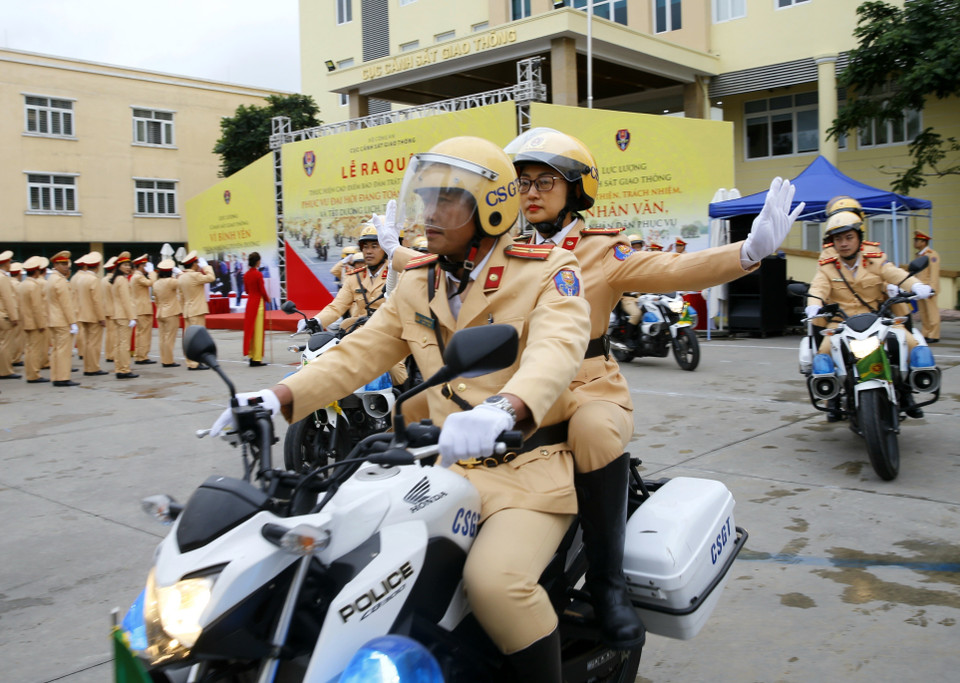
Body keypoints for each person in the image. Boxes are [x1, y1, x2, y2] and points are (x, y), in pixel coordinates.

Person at [390, 127, 801, 648]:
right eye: (520, 182)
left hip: (585, 385)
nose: (531, 193)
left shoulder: (599, 252)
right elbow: (434, 274)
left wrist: (747, 253)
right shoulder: (497, 246)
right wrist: (393, 251)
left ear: (575, 192)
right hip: (502, 388)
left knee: (592, 429)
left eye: (545, 182)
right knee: (412, 412)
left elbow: (673, 268)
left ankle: (608, 584)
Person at [210, 136, 591, 683]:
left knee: (495, 584)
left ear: (493, 206)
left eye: (447, 202)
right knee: (349, 566)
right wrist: (276, 398)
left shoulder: (548, 269)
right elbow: (358, 352)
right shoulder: (419, 279)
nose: (429, 215)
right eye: (427, 199)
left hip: (525, 471)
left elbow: (557, 351)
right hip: (442, 470)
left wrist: (506, 409)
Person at [805, 209, 933, 420]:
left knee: (910, 343)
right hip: (841, 323)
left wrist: (917, 285)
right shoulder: (827, 267)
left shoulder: (875, 260)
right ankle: (834, 397)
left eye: (849, 237)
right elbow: (818, 288)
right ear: (833, 243)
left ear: (859, 238)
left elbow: (896, 274)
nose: (844, 243)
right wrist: (813, 305)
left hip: (878, 319)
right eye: (838, 239)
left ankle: (906, 393)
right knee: (824, 352)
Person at [178, 251, 216, 370]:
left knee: (188, 338)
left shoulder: (181, 277)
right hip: (197, 310)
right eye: (197, 263)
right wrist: (206, 266)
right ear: (194, 264)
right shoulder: (195, 275)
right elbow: (211, 277)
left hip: (188, 310)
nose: (198, 265)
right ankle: (195, 363)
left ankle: (190, 361)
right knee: (197, 338)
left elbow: (181, 296)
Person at [47, 251, 80, 387]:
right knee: (64, 351)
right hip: (62, 320)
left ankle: (56, 376)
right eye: (62, 264)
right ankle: (62, 378)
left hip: (54, 319)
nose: (66, 266)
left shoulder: (51, 279)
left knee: (56, 350)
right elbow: (66, 304)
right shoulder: (60, 281)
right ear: (55, 265)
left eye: (66, 263)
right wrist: (72, 322)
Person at [76, 252, 108, 376]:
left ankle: (88, 367)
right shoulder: (94, 280)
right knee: (94, 344)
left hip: (84, 314)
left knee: (88, 343)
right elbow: (97, 301)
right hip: (94, 316)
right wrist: (101, 317)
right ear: (98, 266)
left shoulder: (81, 278)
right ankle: (93, 367)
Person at [19, 257, 49, 383]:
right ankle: (34, 374)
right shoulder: (34, 286)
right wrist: (41, 323)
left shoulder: (23, 285)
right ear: (36, 272)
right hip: (35, 322)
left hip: (26, 321)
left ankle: (30, 373)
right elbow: (37, 307)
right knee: (35, 349)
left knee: (29, 349)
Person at [111, 252, 139, 380]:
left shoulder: (117, 279)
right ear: (119, 266)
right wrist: (132, 317)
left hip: (118, 314)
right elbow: (126, 300)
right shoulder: (121, 280)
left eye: (129, 265)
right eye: (125, 265)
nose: (128, 267)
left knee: (119, 344)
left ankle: (119, 368)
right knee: (124, 344)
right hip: (123, 315)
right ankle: (124, 369)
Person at [153, 259, 182, 367]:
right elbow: (182, 281)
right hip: (171, 312)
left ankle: (164, 359)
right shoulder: (171, 281)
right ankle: (169, 361)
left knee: (162, 337)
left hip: (160, 312)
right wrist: (179, 273)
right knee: (170, 338)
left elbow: (156, 300)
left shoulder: (156, 283)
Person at [242, 252, 270, 367]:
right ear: (257, 261)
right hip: (258, 303)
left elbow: (247, 291)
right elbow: (262, 290)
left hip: (250, 303)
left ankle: (251, 355)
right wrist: (268, 299)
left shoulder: (246, 275)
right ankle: (257, 358)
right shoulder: (258, 274)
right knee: (258, 331)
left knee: (251, 331)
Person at [913, 230, 941, 343]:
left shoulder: (931, 255)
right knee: (924, 313)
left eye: (916, 240)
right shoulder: (920, 255)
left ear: (923, 242)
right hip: (920, 288)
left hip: (929, 288)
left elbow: (934, 273)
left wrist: (932, 289)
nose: (914, 242)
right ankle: (926, 333)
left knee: (932, 313)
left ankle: (934, 334)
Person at [131, 254, 157, 365]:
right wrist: (151, 272)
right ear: (140, 266)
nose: (146, 267)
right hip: (142, 308)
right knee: (144, 333)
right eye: (145, 265)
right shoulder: (138, 276)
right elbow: (151, 283)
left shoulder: (135, 276)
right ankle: (142, 356)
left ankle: (139, 354)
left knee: (140, 333)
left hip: (139, 308)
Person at [0, 250, 21, 380]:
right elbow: (8, 299)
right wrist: (14, 317)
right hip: (4, 315)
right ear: (6, 264)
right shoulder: (3, 278)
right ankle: (5, 371)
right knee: (6, 344)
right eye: (9, 262)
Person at [7, 261, 25, 368]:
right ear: (18, 273)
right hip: (17, 313)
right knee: (18, 338)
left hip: (12, 313)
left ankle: (13, 357)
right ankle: (16, 358)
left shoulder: (9, 282)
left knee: (12, 338)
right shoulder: (18, 285)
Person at [101, 257, 117, 362]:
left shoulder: (102, 280)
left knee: (109, 334)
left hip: (106, 309)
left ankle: (108, 353)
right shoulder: (113, 280)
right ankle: (111, 354)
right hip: (113, 309)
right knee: (113, 334)